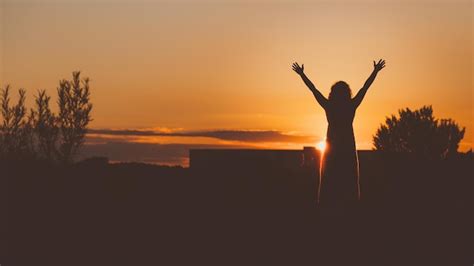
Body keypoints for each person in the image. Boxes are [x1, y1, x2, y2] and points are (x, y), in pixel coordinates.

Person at [292, 59, 386, 211]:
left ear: (333, 93)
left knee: (330, 181)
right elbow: (365, 88)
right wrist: (375, 71)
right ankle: (349, 209)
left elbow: (313, 90)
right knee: (348, 181)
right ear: (347, 93)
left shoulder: (329, 106)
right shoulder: (351, 105)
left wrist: (302, 75)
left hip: (332, 150)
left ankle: (328, 210)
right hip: (347, 149)